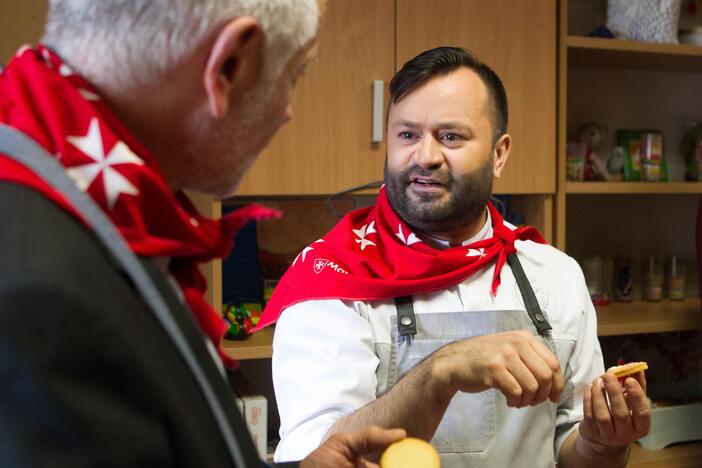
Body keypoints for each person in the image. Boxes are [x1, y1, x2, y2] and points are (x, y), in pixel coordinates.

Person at [0, 1, 406, 466]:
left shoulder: (72, 192)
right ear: (230, 65)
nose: (287, 112)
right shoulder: (42, 295)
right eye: (295, 74)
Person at [259, 47, 651, 467]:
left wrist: (601, 443)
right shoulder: (332, 278)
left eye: (450, 137)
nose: (425, 156)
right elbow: (316, 459)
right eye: (407, 134)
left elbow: (571, 449)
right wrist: (440, 373)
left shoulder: (556, 276)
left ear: (499, 154)